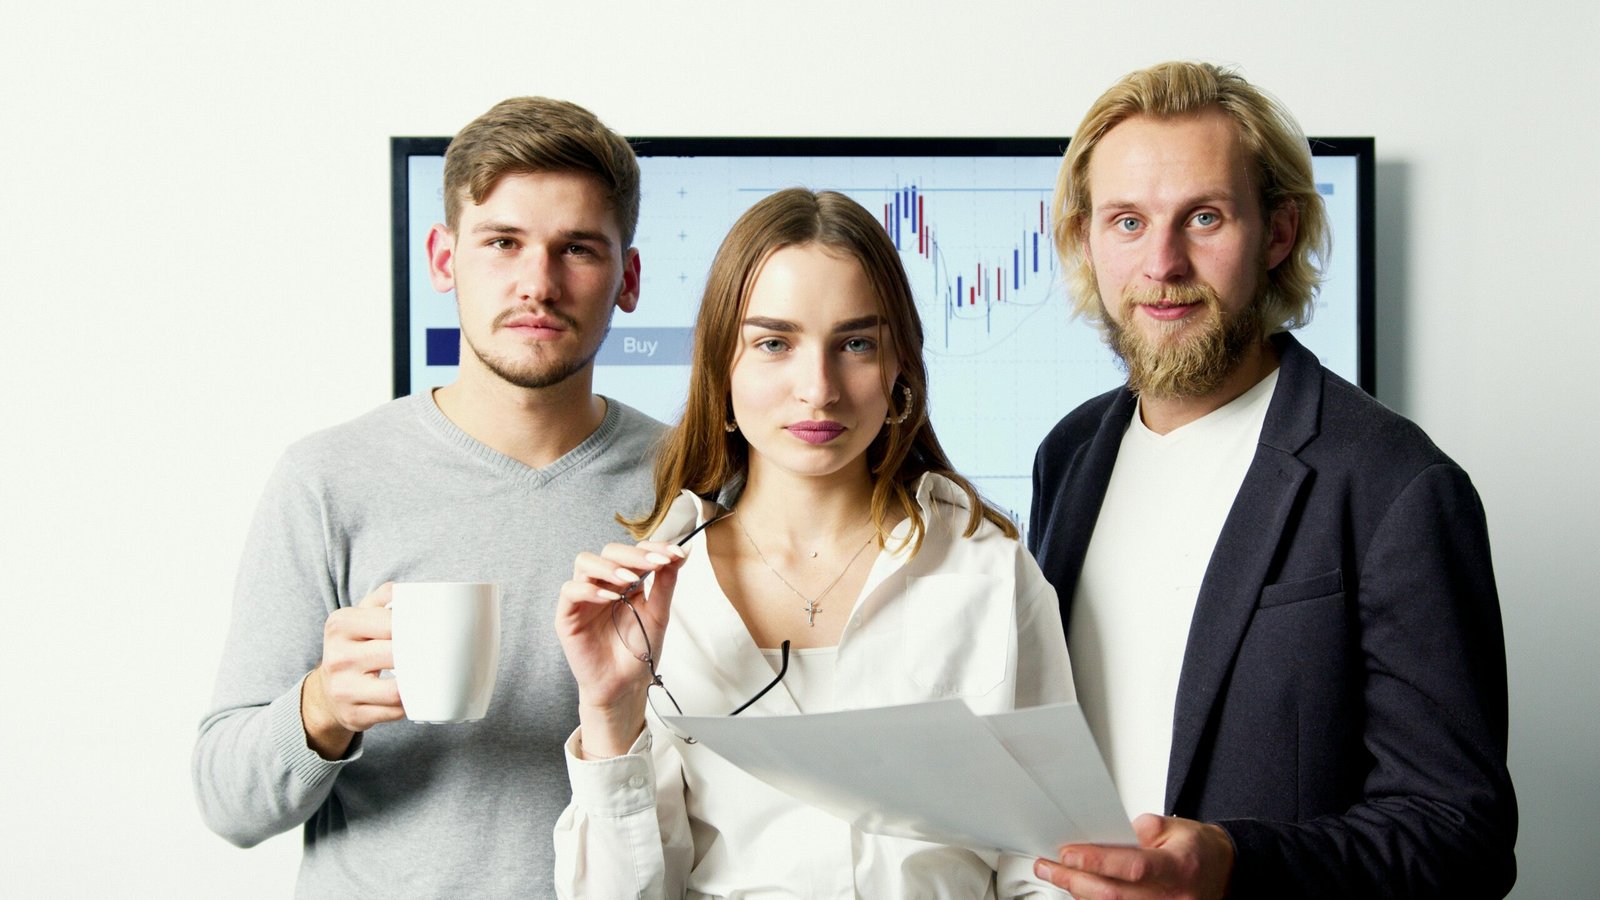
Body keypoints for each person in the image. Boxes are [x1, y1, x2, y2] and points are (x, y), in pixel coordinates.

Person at [1027, 61, 1517, 898]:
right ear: (1085, 240)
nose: (1163, 263)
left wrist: (1233, 865)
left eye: (1205, 218)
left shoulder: (1397, 486)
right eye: (1127, 222)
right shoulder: (1069, 455)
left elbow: (1458, 835)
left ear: (1279, 233)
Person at [191, 96, 662, 896]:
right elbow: (227, 801)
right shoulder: (329, 478)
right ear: (444, 259)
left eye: (577, 249)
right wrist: (321, 709)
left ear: (629, 278)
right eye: (502, 243)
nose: (537, 284)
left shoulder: (694, 480)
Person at [551, 188, 1075, 898]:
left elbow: (1047, 867)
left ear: (899, 370)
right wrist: (611, 715)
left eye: (855, 343)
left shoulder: (985, 570)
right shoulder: (660, 597)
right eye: (774, 343)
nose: (818, 389)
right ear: (721, 369)